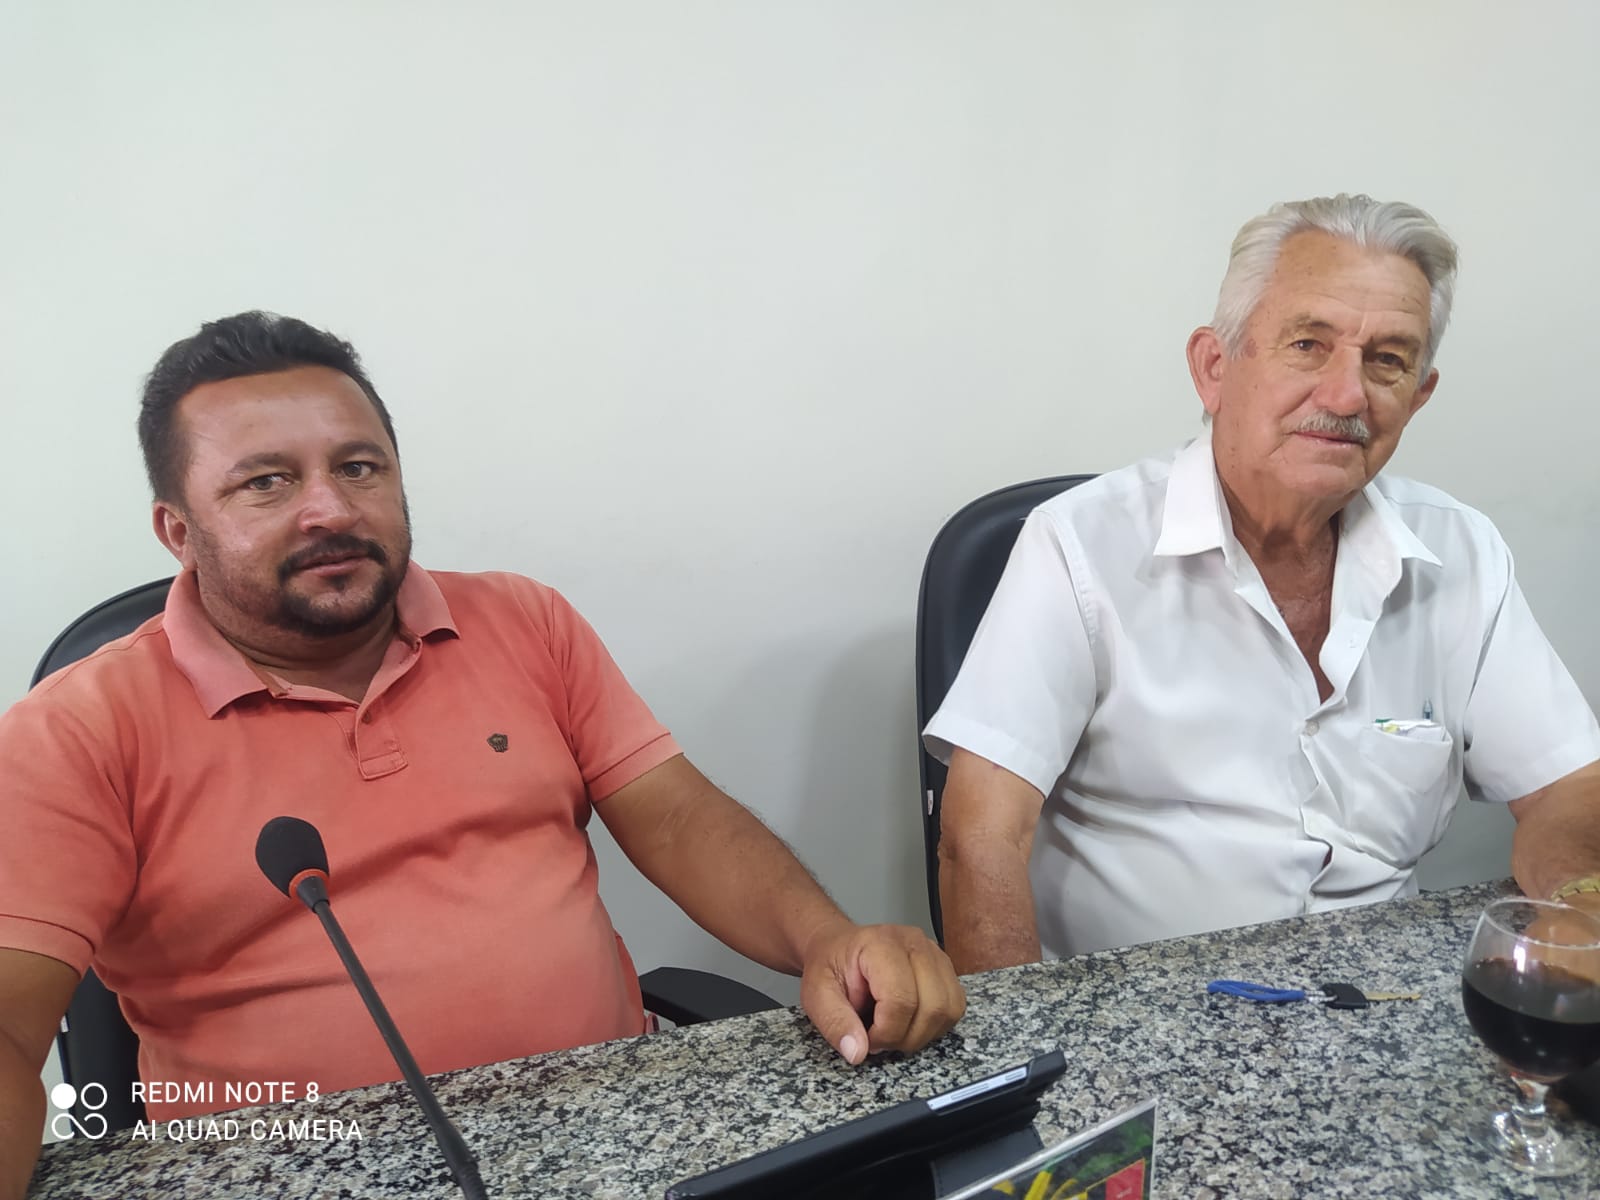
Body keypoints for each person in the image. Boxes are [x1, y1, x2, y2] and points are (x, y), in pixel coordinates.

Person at [0, 312, 964, 1195]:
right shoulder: (79, 729)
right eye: (267, 482)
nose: (329, 509)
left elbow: (676, 817)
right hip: (286, 1169)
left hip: (610, 1131)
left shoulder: (522, 620)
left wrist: (825, 939)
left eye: (360, 467)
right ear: (178, 531)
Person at [925, 194, 1600, 973]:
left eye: (1387, 359)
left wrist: (1581, 909)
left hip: (1384, 997)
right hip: (1142, 1002)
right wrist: (1021, 1040)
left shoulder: (1463, 552)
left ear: (1419, 395)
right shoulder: (1078, 544)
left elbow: (1570, 788)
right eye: (1309, 345)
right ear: (1214, 369)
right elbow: (981, 836)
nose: (1347, 395)